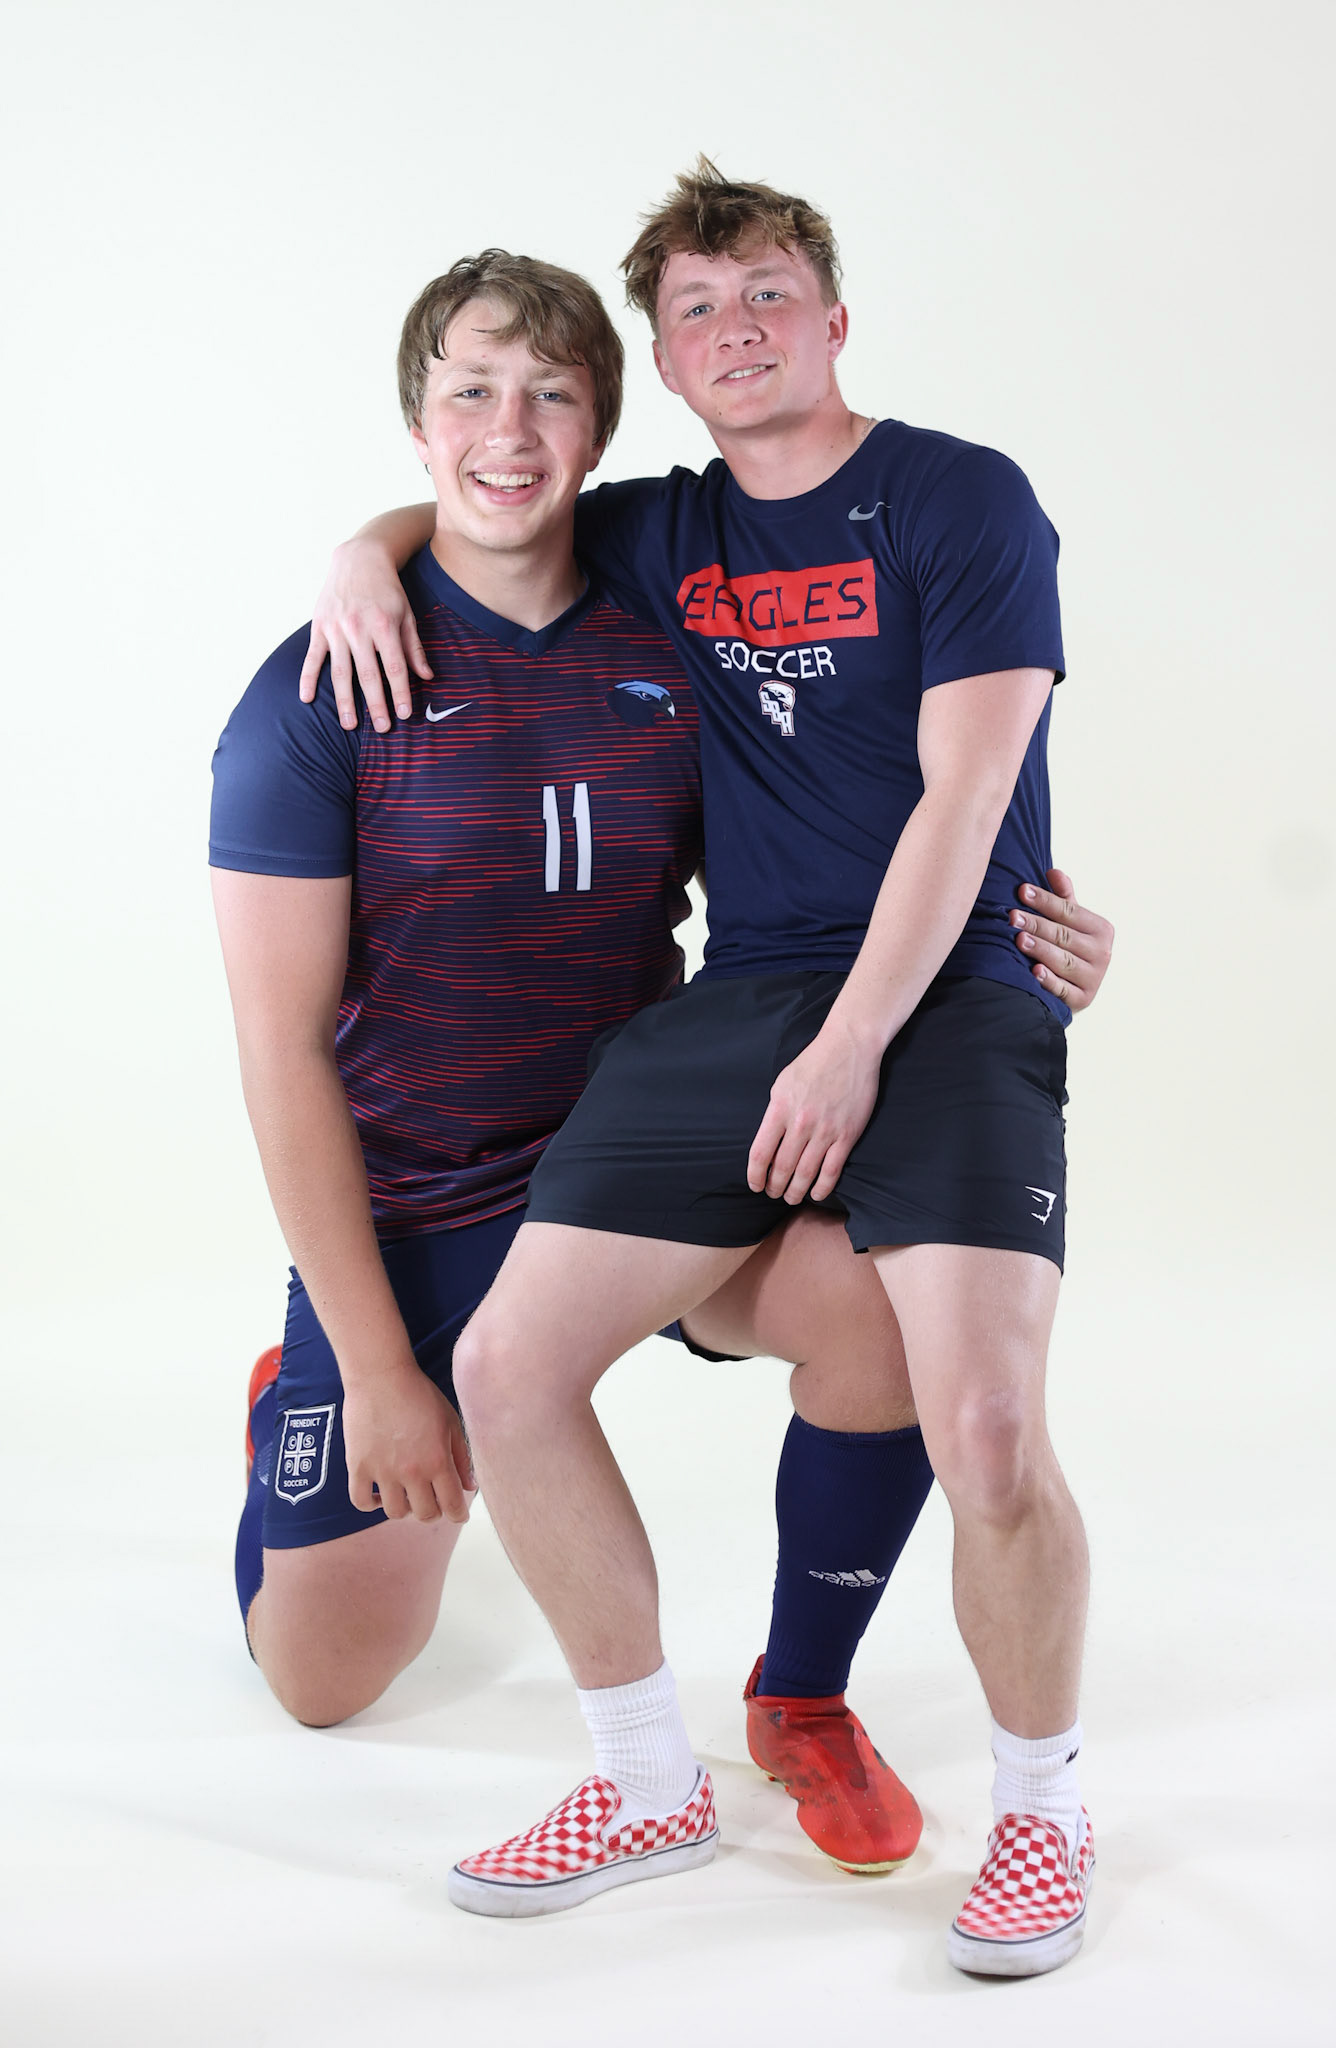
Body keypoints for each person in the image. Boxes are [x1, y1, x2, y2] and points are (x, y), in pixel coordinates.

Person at [309, 162, 1106, 1976]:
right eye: (694, 312)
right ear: (665, 367)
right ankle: (648, 1776)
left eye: (765, 294)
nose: (733, 329)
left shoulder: (961, 499)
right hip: (744, 994)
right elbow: (488, 510)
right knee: (509, 1364)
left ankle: (1047, 1814)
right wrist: (359, 550)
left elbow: (971, 793)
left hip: (959, 988)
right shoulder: (666, 531)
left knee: (987, 1420)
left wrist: (854, 1049)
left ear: (833, 320)